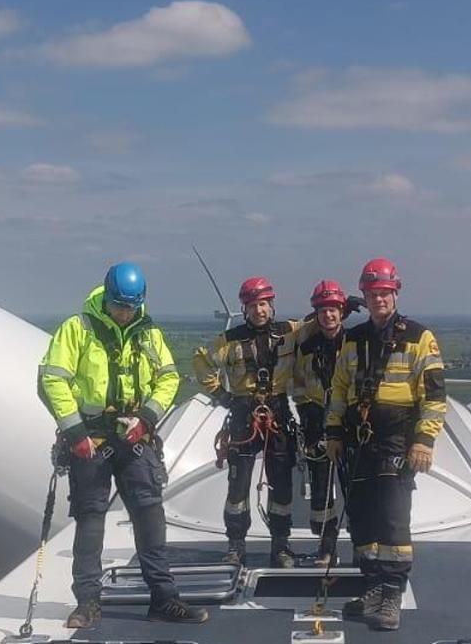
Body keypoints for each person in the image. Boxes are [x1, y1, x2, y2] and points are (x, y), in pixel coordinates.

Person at [37, 261, 208, 628]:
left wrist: (146, 417)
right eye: (119, 306)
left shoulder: (147, 333)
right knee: (91, 520)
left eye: (130, 307)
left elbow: (168, 378)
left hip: (134, 437)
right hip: (91, 439)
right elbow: (52, 380)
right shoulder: (78, 329)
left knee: (150, 516)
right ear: (107, 298)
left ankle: (164, 598)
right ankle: (87, 603)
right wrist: (75, 433)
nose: (124, 313)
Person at [326, 258, 446, 632]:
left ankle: (391, 591)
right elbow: (340, 388)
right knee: (362, 517)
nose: (379, 299)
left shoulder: (418, 336)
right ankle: (373, 586)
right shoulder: (355, 339)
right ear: (364, 294)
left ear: (395, 293)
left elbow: (434, 394)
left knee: (393, 519)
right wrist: (332, 432)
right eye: (373, 293)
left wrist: (424, 440)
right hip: (358, 441)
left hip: (397, 439)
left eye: (385, 293)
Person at [193, 276, 301, 567]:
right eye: (253, 305)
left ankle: (280, 545)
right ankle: (236, 545)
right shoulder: (229, 341)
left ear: (271, 305)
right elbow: (202, 362)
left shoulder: (290, 331)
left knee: (281, 484)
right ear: (244, 308)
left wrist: (337, 307)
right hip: (243, 414)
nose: (259, 310)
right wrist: (223, 397)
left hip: (277, 412)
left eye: (263, 304)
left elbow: (320, 325)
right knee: (238, 486)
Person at [290, 279, 354, 567]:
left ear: (342, 312)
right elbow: (300, 383)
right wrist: (307, 414)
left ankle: (363, 547)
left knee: (354, 487)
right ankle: (327, 548)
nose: (329, 315)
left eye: (334, 310)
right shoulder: (306, 346)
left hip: (349, 425)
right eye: (323, 310)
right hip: (317, 422)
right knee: (321, 490)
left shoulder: (354, 343)